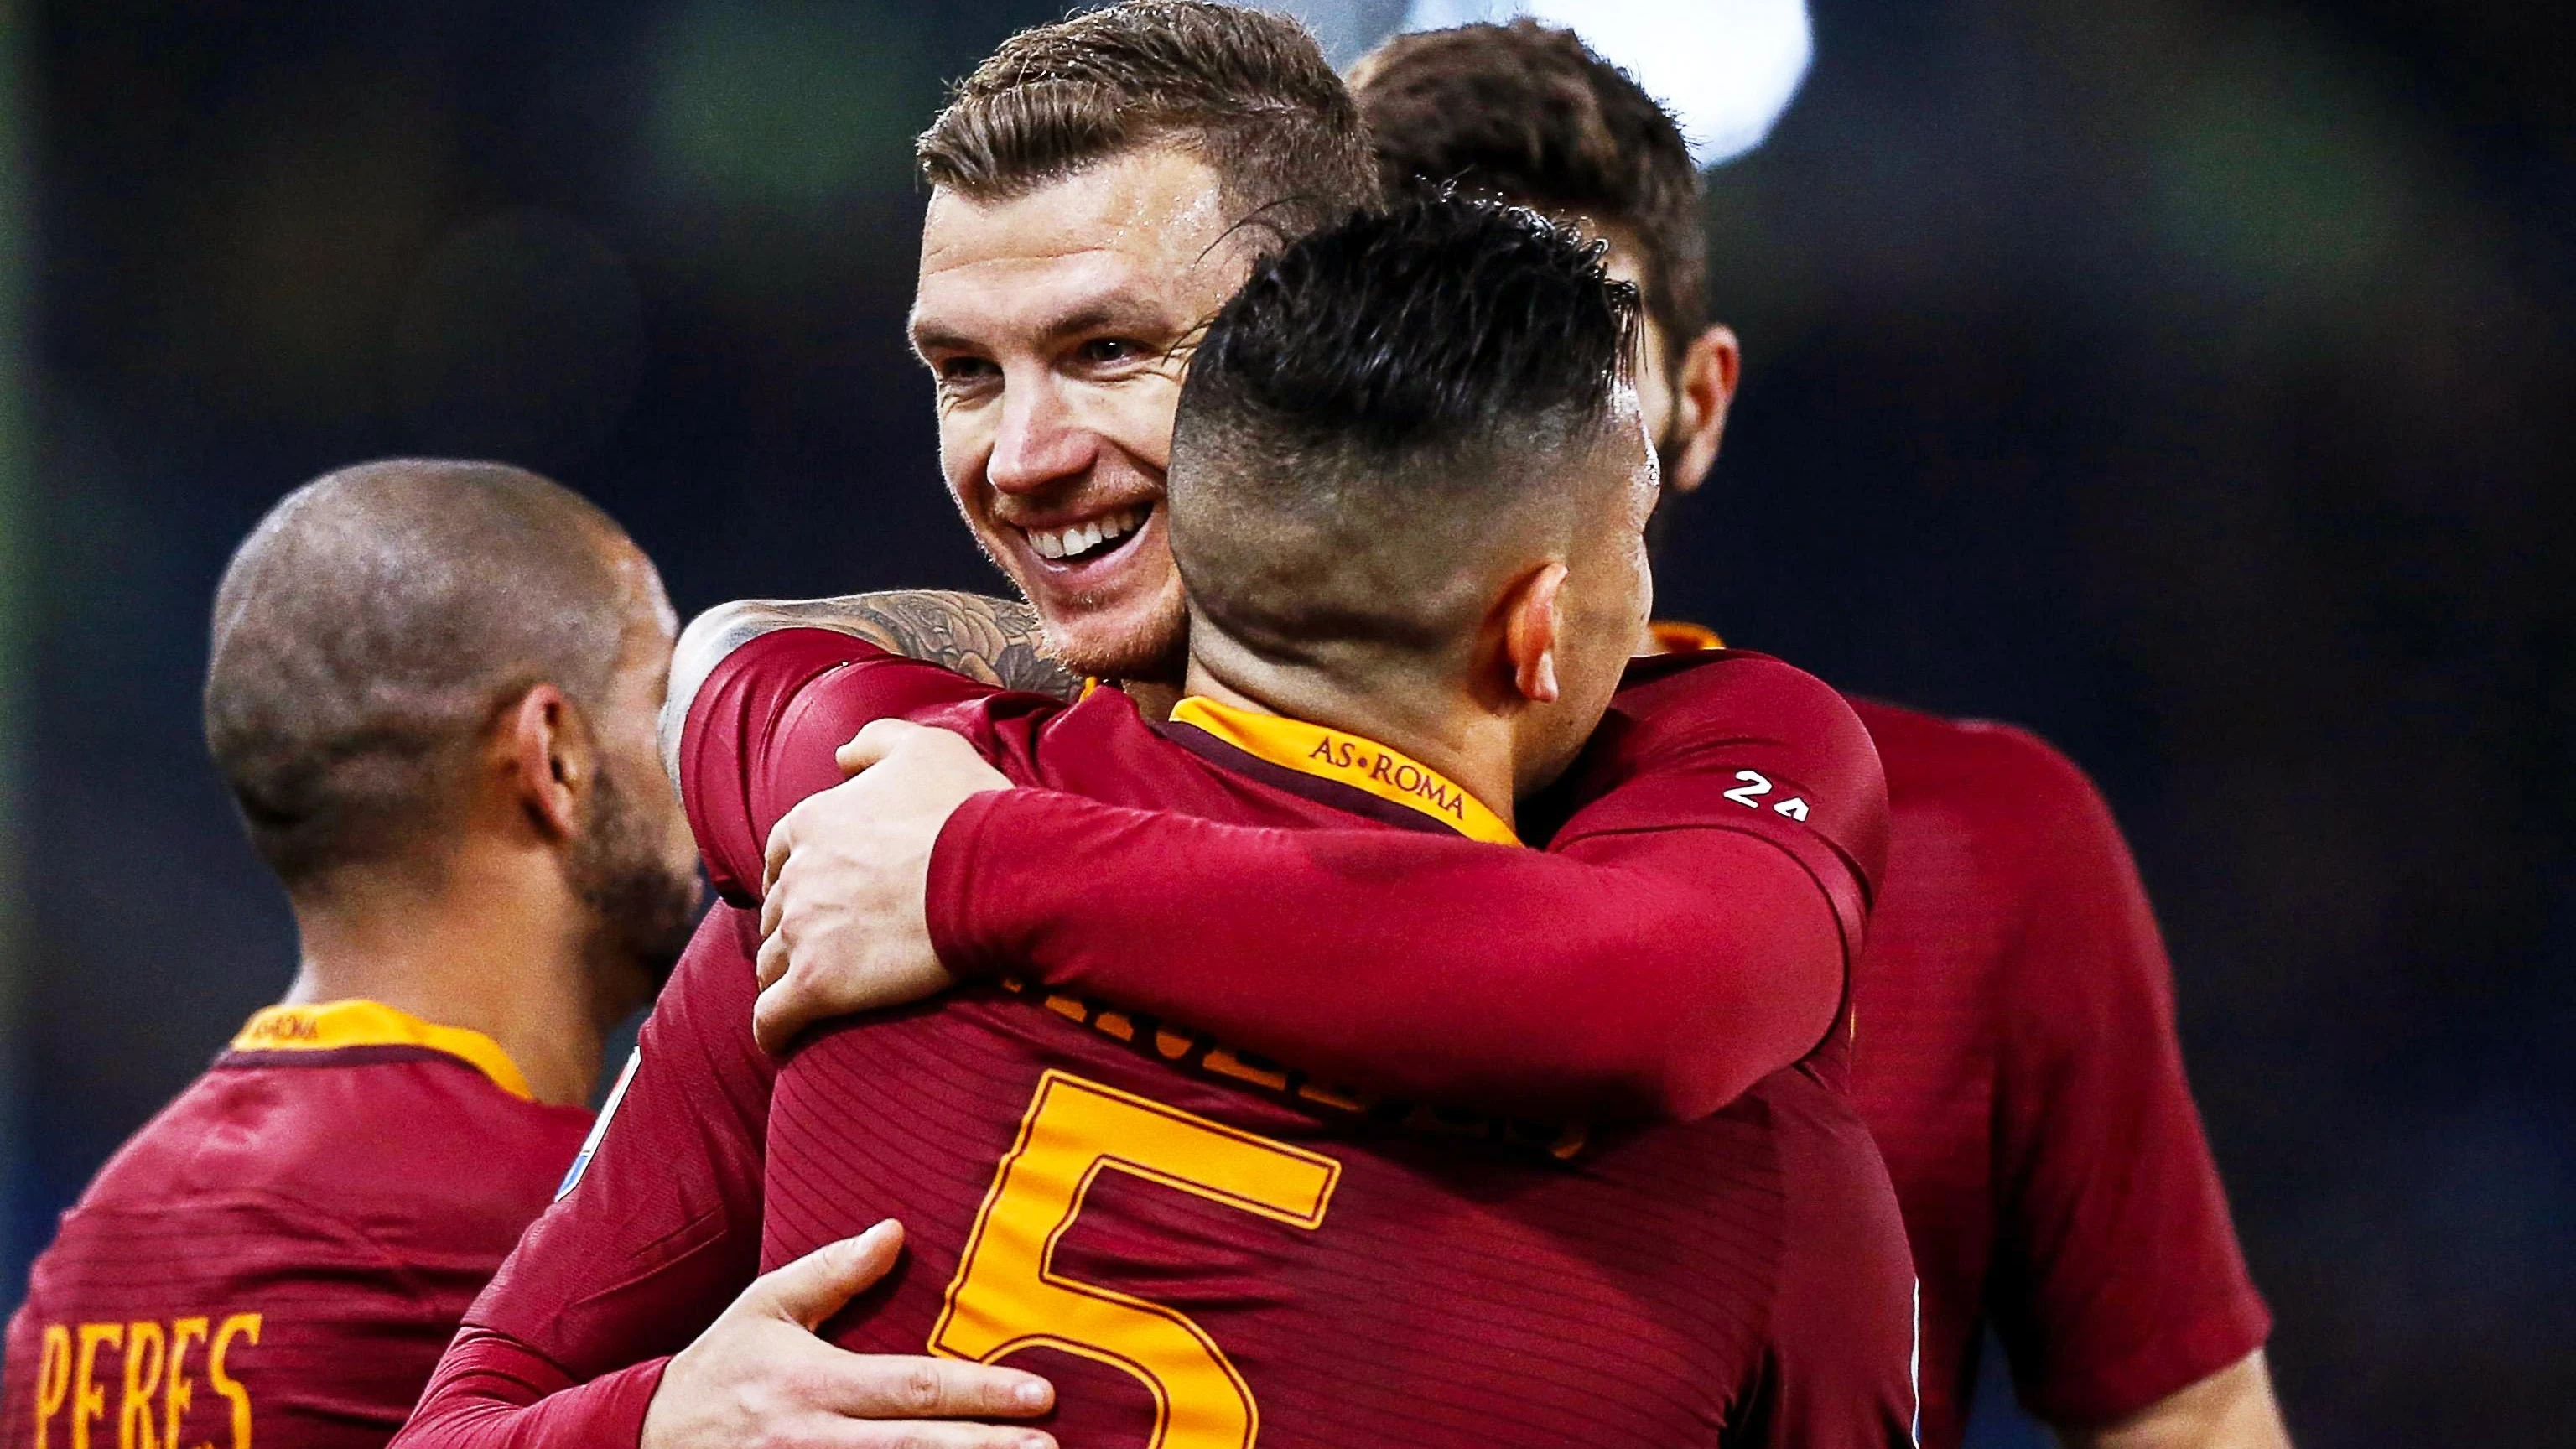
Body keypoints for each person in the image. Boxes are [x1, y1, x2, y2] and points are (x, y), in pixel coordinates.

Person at [747, 18, 2289, 1449]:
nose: (1458, 406)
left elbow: (1659, 1000)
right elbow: (734, 675)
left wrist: (974, 865)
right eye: (1397, 345)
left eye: (1566, 358)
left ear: (1693, 403)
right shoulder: (933, 760)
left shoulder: (1944, 824)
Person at [397, 8, 1914, 1446]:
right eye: (962, 374)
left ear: (1310, 335)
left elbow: (1654, 998)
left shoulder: (881, 841)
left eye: (1110, 350)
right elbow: (467, 1415)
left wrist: (976, 865)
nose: (1025, 456)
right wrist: (659, 1420)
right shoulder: (860, 841)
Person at [0, 461, 704, 1449]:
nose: (695, 757)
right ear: (555, 756)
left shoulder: (80, 1276)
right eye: (663, 699)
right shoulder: (576, 1235)